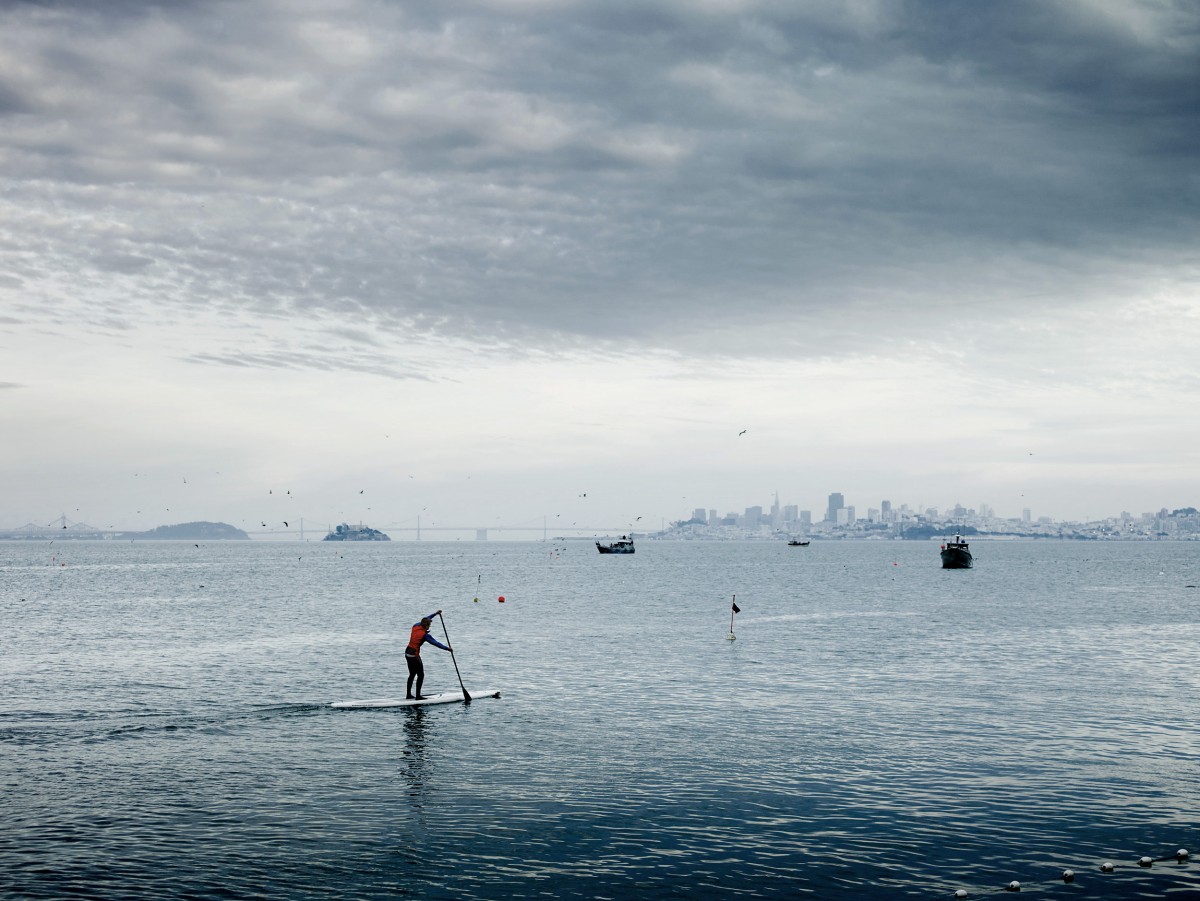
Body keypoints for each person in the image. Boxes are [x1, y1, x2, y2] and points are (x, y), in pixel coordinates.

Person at [406, 610, 451, 699]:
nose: (429, 627)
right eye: (429, 626)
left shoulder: (416, 626)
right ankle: (418, 696)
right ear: (426, 626)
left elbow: (427, 618)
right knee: (421, 675)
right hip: (414, 656)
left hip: (407, 653)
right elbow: (436, 643)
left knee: (412, 674)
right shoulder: (425, 635)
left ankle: (408, 695)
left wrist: (435, 614)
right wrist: (447, 648)